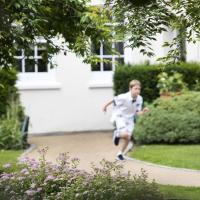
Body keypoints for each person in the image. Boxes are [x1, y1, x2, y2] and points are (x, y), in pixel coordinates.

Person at [103, 79, 149, 160]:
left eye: (139, 89)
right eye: (136, 88)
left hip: (130, 119)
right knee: (124, 134)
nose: (138, 91)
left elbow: (137, 112)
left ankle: (120, 154)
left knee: (128, 137)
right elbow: (114, 100)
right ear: (130, 89)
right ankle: (117, 134)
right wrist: (105, 106)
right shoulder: (124, 97)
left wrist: (143, 111)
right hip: (120, 116)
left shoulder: (140, 99)